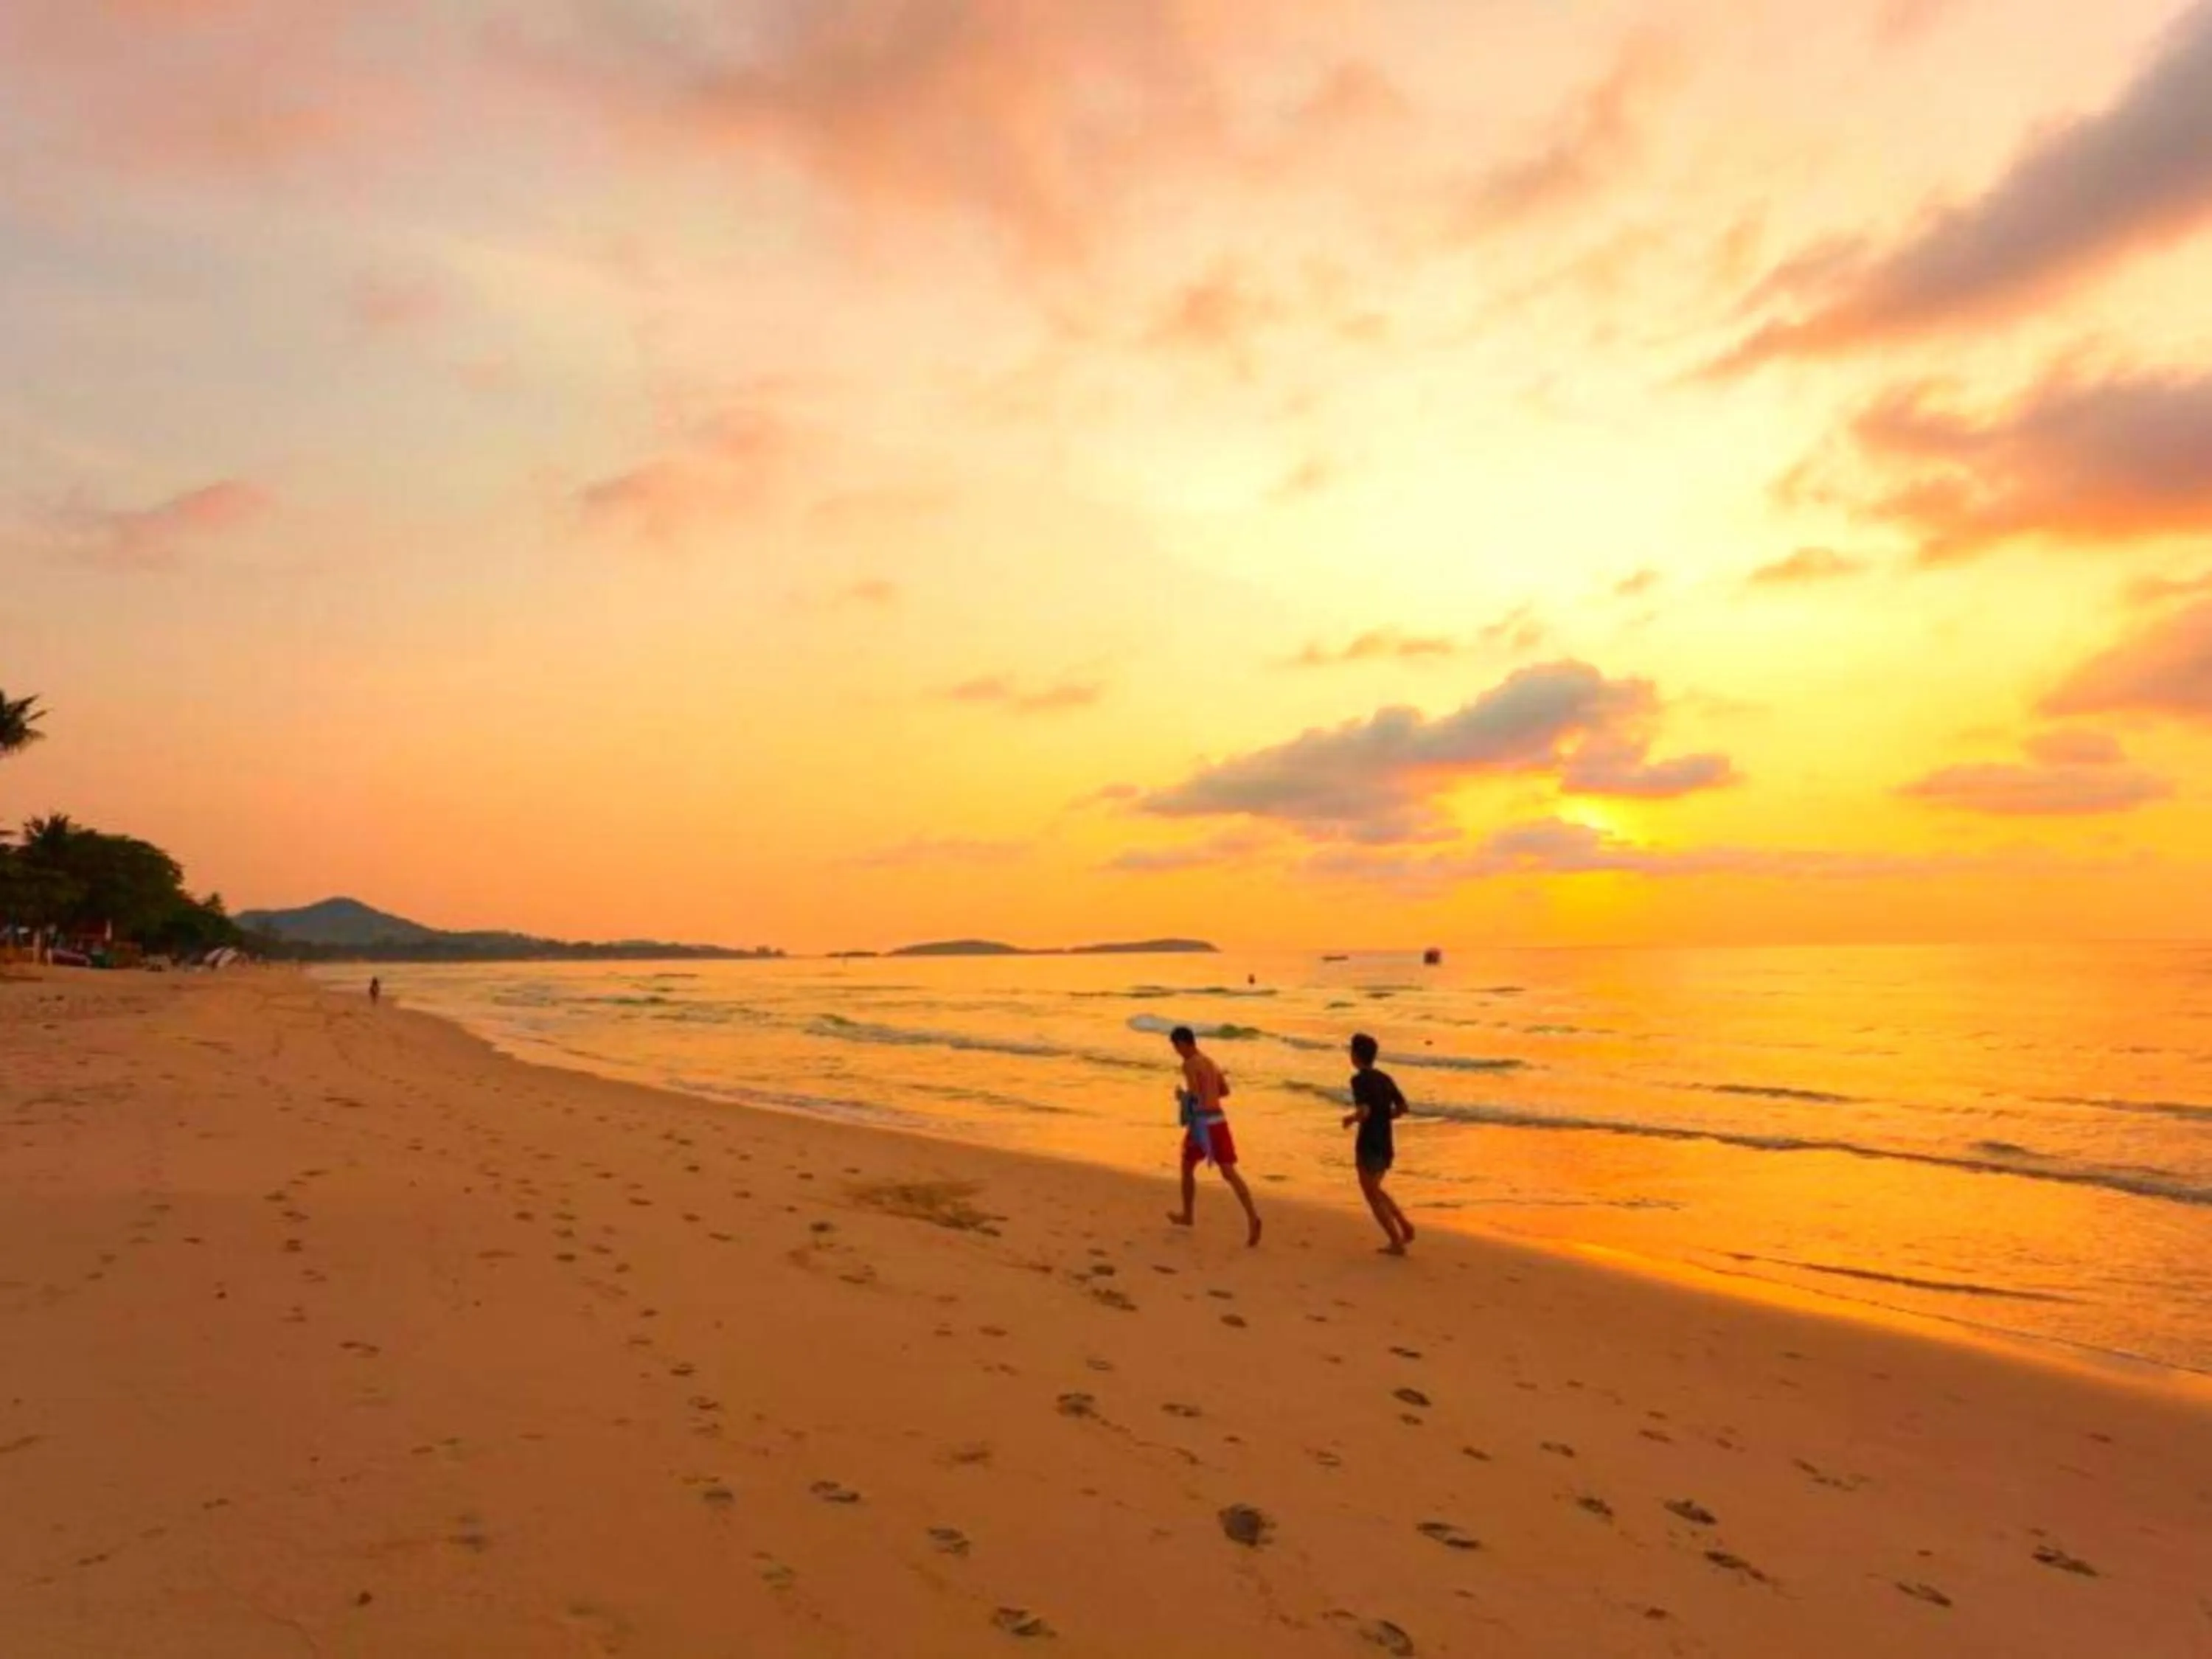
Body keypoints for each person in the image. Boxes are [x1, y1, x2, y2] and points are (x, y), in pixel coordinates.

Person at [1166, 1026, 1262, 1246]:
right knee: (1229, 1172)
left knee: (1187, 1165)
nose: (1176, 1051)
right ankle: (1252, 1217)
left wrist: (1182, 1096)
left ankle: (1188, 1215)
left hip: (1203, 1123)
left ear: (1183, 1043)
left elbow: (1195, 1098)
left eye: (1176, 1046)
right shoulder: (1209, 1062)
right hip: (1219, 1121)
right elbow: (1224, 1091)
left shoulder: (1189, 1064)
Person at [1343, 1032, 1413, 1254]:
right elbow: (1403, 1108)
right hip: (1386, 1141)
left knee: (1371, 1193)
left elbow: (1364, 1111)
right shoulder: (1385, 1078)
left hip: (1369, 1141)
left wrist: (1351, 1119)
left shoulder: (1359, 1080)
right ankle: (1403, 1224)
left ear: (1355, 1056)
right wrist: (1385, 1116)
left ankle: (1397, 1240)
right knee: (1375, 1189)